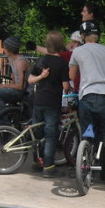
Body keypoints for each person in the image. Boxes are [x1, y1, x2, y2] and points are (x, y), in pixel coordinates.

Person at [69, 27, 105, 186]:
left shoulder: (77, 51)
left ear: (83, 36)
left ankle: (86, 170)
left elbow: (71, 75)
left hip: (86, 98)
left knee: (88, 134)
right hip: (104, 97)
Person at [28, 31, 71, 177]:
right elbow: (65, 86)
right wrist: (68, 88)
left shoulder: (41, 60)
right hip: (52, 102)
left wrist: (41, 76)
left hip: (38, 100)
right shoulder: (62, 64)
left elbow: (30, 80)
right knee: (50, 134)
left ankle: (36, 162)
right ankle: (49, 166)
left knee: (37, 132)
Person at [0, 36, 29, 119]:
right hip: (16, 89)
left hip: (24, 92)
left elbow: (21, 86)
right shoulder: (12, 59)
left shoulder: (20, 62)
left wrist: (4, 86)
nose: (3, 50)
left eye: (5, 48)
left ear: (10, 49)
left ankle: (3, 121)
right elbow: (13, 77)